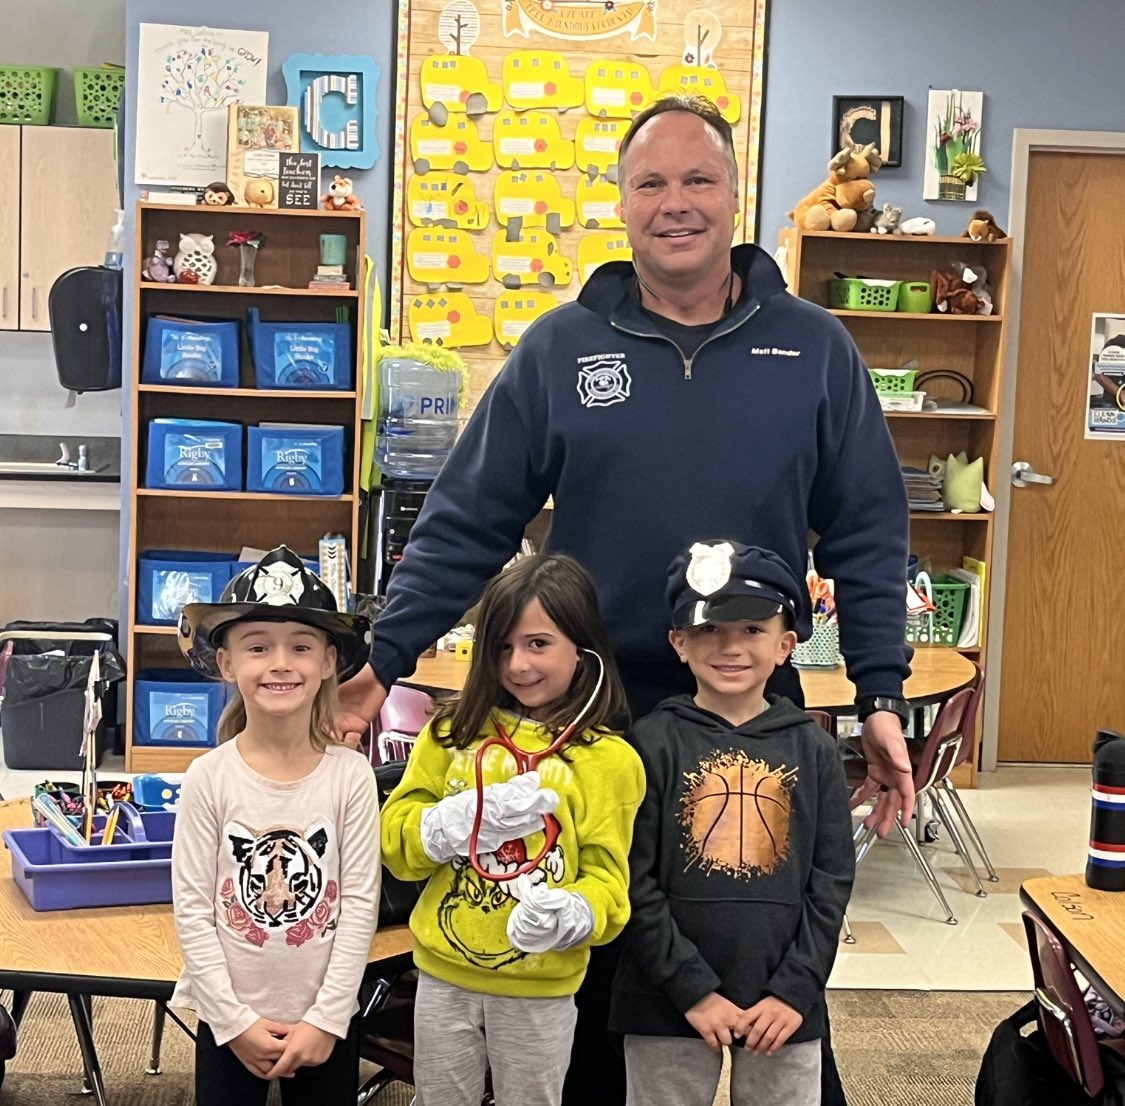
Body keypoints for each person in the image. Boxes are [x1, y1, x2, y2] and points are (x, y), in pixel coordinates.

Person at [338, 93, 912, 1104]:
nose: (675, 202)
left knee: (764, 967)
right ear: (622, 201)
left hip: (748, 705)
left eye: (698, 180)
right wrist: (381, 659)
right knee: (596, 972)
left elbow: (870, 530)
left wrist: (881, 693)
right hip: (589, 712)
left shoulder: (815, 348)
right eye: (651, 182)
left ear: (735, 195)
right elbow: (468, 520)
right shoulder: (559, 349)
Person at [379, 553, 645, 1106]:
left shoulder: (610, 762)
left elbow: (609, 881)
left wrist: (575, 912)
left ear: (583, 648)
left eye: (538, 643)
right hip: (444, 976)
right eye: (502, 647)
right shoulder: (451, 733)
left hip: (540, 990)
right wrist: (441, 827)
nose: (518, 664)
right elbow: (395, 845)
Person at [611, 539, 854, 1106]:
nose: (730, 646)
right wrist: (691, 989)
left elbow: (831, 881)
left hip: (783, 1003)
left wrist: (795, 989)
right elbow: (631, 879)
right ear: (679, 641)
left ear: (786, 644)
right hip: (664, 996)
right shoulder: (648, 744)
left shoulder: (816, 750)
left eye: (752, 629)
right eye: (709, 629)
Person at [171, 545, 381, 1106]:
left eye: (301, 647)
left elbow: (359, 904)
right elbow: (193, 910)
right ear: (227, 663)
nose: (281, 663)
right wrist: (231, 1021)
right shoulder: (208, 778)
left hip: (326, 1019)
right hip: (229, 1019)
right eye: (258, 647)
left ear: (329, 662)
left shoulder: (351, 776)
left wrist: (328, 1017)